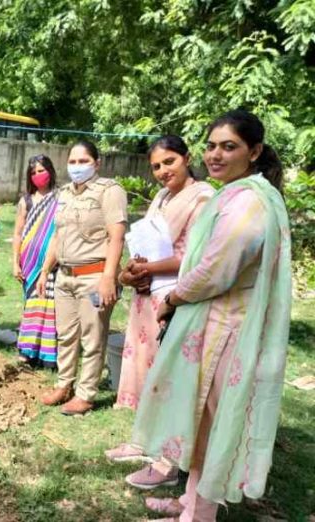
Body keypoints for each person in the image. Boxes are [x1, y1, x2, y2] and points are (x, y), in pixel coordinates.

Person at [130, 110, 291, 521]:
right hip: (213, 325)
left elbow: (217, 269)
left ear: (253, 151)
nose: (216, 154)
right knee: (201, 421)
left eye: (229, 146)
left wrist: (172, 299)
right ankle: (190, 501)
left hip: (228, 331)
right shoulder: (234, 193)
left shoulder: (250, 201)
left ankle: (198, 515)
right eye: (212, 145)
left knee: (212, 422)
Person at [104, 136, 215, 489]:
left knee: (171, 378)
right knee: (146, 369)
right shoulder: (162, 197)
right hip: (147, 296)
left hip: (177, 298)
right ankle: (144, 441)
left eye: (169, 162)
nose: (163, 171)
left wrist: (148, 270)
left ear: (187, 158)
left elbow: (194, 257)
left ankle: (167, 463)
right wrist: (134, 271)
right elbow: (146, 243)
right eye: (156, 166)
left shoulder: (203, 198)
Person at [37, 141, 127, 415]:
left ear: (96, 163)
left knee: (93, 337)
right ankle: (64, 384)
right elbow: (57, 235)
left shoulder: (109, 191)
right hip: (64, 276)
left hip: (94, 276)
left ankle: (86, 394)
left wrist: (109, 277)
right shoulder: (64, 193)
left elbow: (117, 236)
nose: (77, 167)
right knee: (65, 334)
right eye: (73, 162)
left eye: (83, 161)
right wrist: (45, 271)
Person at [12, 154, 59, 368]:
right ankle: (26, 350)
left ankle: (47, 354)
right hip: (29, 262)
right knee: (31, 305)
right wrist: (15, 262)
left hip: (51, 262)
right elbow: (18, 233)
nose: (38, 175)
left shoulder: (60, 197)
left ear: (50, 171)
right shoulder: (26, 201)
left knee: (49, 305)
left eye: (41, 170)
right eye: (33, 173)